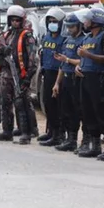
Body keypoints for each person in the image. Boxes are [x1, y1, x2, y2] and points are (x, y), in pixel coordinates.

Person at [76, 8, 104, 160]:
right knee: (88, 111)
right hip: (85, 78)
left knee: (102, 112)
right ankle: (95, 146)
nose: (84, 22)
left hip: (99, 78)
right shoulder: (87, 38)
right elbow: (83, 58)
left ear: (96, 21)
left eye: (87, 20)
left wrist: (88, 55)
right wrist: (79, 66)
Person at [0, 6, 38, 145]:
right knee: (5, 102)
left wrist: (27, 78)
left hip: (20, 75)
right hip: (6, 74)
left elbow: (33, 59)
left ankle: (25, 133)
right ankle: (7, 131)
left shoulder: (27, 36)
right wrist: (1, 50)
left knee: (21, 104)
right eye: (12, 20)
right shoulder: (7, 35)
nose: (15, 23)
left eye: (17, 20)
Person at [53, 13, 85, 152]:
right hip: (65, 77)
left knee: (77, 111)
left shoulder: (84, 40)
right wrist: (56, 83)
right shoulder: (67, 41)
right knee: (65, 110)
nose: (70, 29)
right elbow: (62, 64)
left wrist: (67, 60)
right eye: (68, 27)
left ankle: (80, 140)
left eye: (72, 26)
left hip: (77, 79)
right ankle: (69, 139)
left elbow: (83, 61)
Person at [38, 8, 66, 147]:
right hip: (47, 72)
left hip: (59, 74)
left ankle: (59, 134)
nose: (52, 24)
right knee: (47, 103)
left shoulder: (64, 39)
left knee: (57, 105)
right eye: (50, 21)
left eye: (55, 21)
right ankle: (51, 131)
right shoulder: (46, 37)